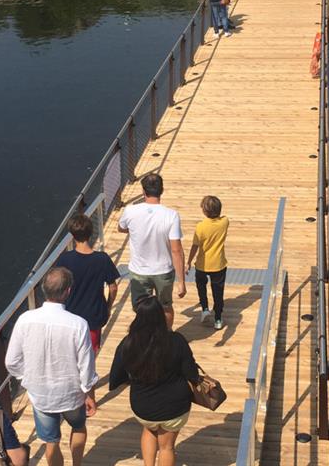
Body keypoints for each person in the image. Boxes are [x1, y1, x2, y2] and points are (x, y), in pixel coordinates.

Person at [6, 267, 98, 466]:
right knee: (79, 427)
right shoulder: (78, 324)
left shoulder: (25, 320)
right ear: (68, 291)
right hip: (71, 392)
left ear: (43, 290)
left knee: (51, 441)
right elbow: (86, 365)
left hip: (41, 395)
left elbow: (11, 361)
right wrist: (89, 393)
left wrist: (27, 378)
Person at [109, 296, 200, 466]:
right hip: (174, 408)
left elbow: (115, 378)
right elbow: (192, 374)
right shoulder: (176, 340)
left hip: (143, 407)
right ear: (161, 317)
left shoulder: (128, 343)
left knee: (149, 429)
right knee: (166, 447)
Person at [119, 173, 186, 329]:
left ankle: (146, 336)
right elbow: (176, 250)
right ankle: (167, 336)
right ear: (161, 191)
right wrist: (181, 282)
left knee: (141, 309)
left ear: (143, 191)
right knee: (166, 306)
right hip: (164, 271)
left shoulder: (130, 211)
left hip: (138, 272)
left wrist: (136, 230)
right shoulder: (171, 215)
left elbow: (121, 228)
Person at [57, 213, 120, 355]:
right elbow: (113, 287)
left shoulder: (65, 260)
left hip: (70, 316)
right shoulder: (102, 259)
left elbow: (59, 287)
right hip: (94, 316)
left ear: (72, 235)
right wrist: (108, 306)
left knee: (71, 354)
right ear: (91, 234)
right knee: (90, 355)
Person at [187, 196, 229, 330]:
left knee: (201, 286)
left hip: (202, 264)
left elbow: (195, 246)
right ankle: (218, 318)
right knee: (218, 291)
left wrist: (188, 262)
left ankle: (204, 308)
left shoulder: (200, 227)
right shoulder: (225, 222)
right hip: (219, 264)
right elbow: (224, 217)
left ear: (204, 211)